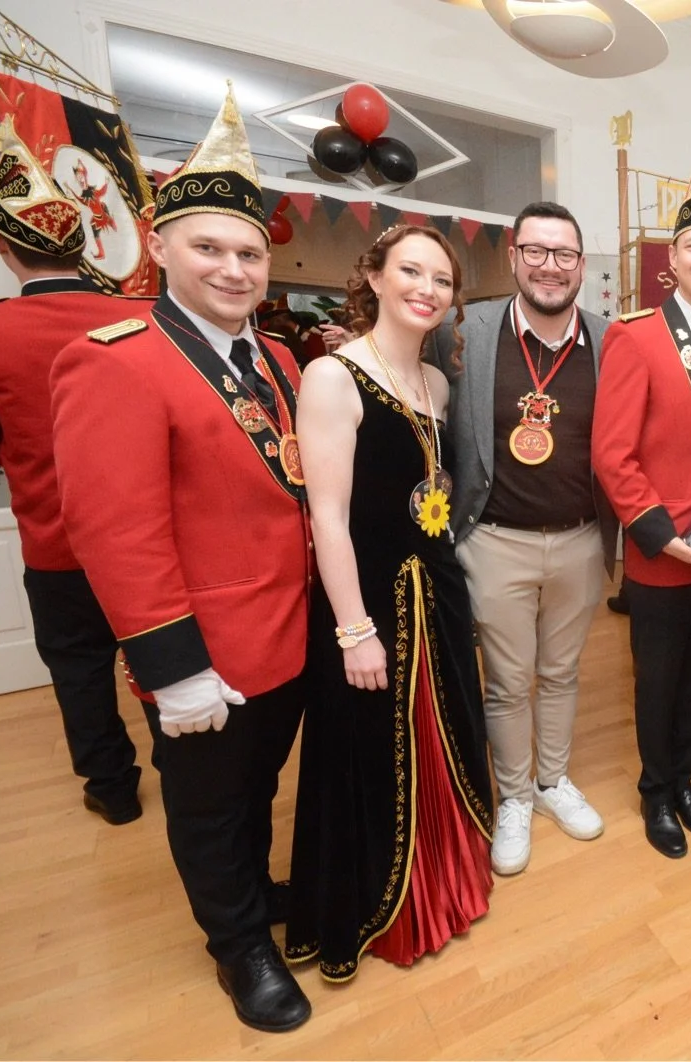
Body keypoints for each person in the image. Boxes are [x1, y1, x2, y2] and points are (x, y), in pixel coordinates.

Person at [49, 87, 312, 1031]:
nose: (234, 269)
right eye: (210, 249)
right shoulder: (115, 360)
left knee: (257, 790)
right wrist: (174, 667)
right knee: (207, 808)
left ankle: (252, 893)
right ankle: (238, 948)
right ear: (159, 248)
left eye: (249, 253)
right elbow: (115, 532)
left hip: (288, 636)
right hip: (209, 652)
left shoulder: (278, 361)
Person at [284, 224, 493, 982]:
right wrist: (354, 630)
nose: (426, 289)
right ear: (374, 277)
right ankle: (375, 906)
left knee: (443, 733)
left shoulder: (437, 382)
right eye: (410, 271)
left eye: (441, 279)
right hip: (368, 598)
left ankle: (441, 879)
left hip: (435, 590)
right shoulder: (333, 377)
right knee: (368, 753)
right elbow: (327, 516)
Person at [431, 201, 615, 878]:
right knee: (508, 681)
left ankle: (551, 781)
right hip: (494, 539)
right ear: (513, 258)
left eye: (563, 254)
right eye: (535, 251)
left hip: (581, 539)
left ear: (581, 265)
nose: (549, 267)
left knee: (562, 672)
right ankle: (513, 796)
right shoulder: (461, 332)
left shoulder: (609, 340)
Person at [0, 117, 145, 825]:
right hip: (146, 540)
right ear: (83, 244)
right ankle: (187, 772)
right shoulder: (146, 318)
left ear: (2, 245)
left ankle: (113, 789)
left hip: (55, 543)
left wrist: (33, 453)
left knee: (78, 672)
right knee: (164, 660)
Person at [592, 130, 691, 859]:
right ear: (673, 258)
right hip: (665, 551)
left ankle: (684, 778)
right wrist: (662, 535)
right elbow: (612, 454)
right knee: (657, 682)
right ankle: (656, 790)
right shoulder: (636, 337)